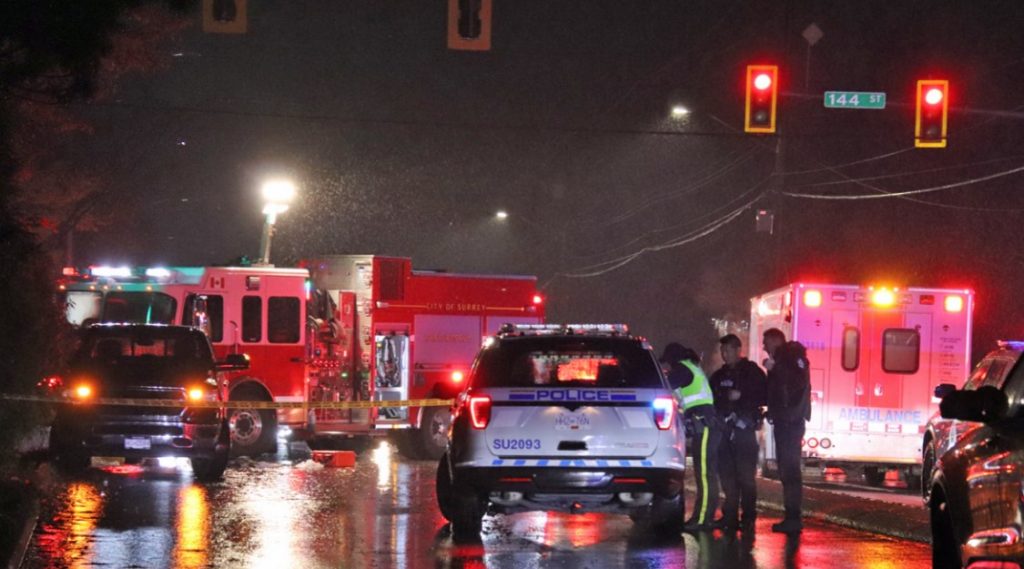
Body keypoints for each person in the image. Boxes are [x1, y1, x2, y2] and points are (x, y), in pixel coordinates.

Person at [661, 342, 721, 533]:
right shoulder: (690, 367)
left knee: (704, 474)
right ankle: (706, 517)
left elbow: (665, 386)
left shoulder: (682, 369)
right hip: (704, 423)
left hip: (703, 424)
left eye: (667, 363)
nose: (667, 367)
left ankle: (702, 520)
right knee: (707, 474)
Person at [710, 333, 766, 532]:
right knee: (727, 476)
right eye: (722, 351)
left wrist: (742, 397)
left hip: (744, 432)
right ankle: (729, 517)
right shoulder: (719, 376)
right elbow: (712, 400)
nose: (725, 354)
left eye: (728, 350)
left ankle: (748, 517)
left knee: (745, 478)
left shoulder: (752, 372)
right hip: (725, 432)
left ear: (738, 350)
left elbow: (764, 396)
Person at [762, 328, 811, 534]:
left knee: (790, 471)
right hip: (785, 421)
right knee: (786, 470)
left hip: (790, 423)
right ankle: (791, 516)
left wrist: (775, 368)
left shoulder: (792, 356)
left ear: (775, 341)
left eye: (766, 343)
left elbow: (796, 382)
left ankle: (793, 518)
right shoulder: (786, 359)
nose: (764, 347)